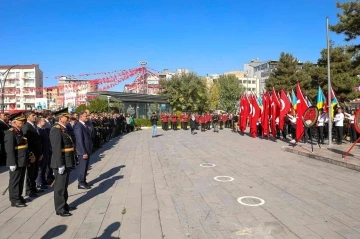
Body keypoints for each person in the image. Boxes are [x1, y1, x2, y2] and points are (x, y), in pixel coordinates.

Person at [5, 114, 35, 207]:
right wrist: (11, 163)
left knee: (21, 179)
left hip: (22, 160)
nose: (22, 123)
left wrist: (29, 155)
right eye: (20, 121)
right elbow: (9, 149)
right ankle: (14, 200)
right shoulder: (11, 132)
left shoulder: (19, 131)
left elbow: (24, 146)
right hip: (16, 160)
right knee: (15, 181)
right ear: (14, 122)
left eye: (23, 121)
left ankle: (19, 196)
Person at [50, 112, 75, 216]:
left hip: (67, 159)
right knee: (60, 186)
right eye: (67, 117)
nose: (69, 118)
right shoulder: (56, 129)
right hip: (61, 161)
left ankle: (64, 204)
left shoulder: (64, 128)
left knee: (64, 185)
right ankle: (60, 209)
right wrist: (60, 164)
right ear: (60, 118)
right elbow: (56, 149)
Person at [22, 112, 43, 197]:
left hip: (37, 153)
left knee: (35, 172)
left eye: (35, 115)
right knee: (30, 173)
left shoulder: (33, 126)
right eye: (33, 116)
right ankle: (29, 190)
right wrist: (31, 154)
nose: (35, 117)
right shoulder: (27, 126)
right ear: (28, 117)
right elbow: (27, 143)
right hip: (32, 154)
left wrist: (40, 153)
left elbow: (38, 141)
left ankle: (33, 188)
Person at [74, 112, 93, 189]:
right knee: (82, 166)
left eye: (87, 116)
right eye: (86, 116)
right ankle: (81, 183)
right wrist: (83, 152)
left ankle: (84, 181)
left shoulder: (85, 125)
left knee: (85, 167)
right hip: (83, 151)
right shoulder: (78, 126)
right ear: (81, 117)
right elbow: (79, 140)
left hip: (87, 149)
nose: (87, 117)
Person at [35, 117, 50, 189]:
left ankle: (43, 181)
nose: (45, 122)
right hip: (42, 152)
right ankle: (39, 183)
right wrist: (40, 153)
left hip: (46, 151)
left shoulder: (43, 129)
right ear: (39, 122)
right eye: (44, 121)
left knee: (44, 167)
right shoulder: (38, 130)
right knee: (40, 168)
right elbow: (39, 143)